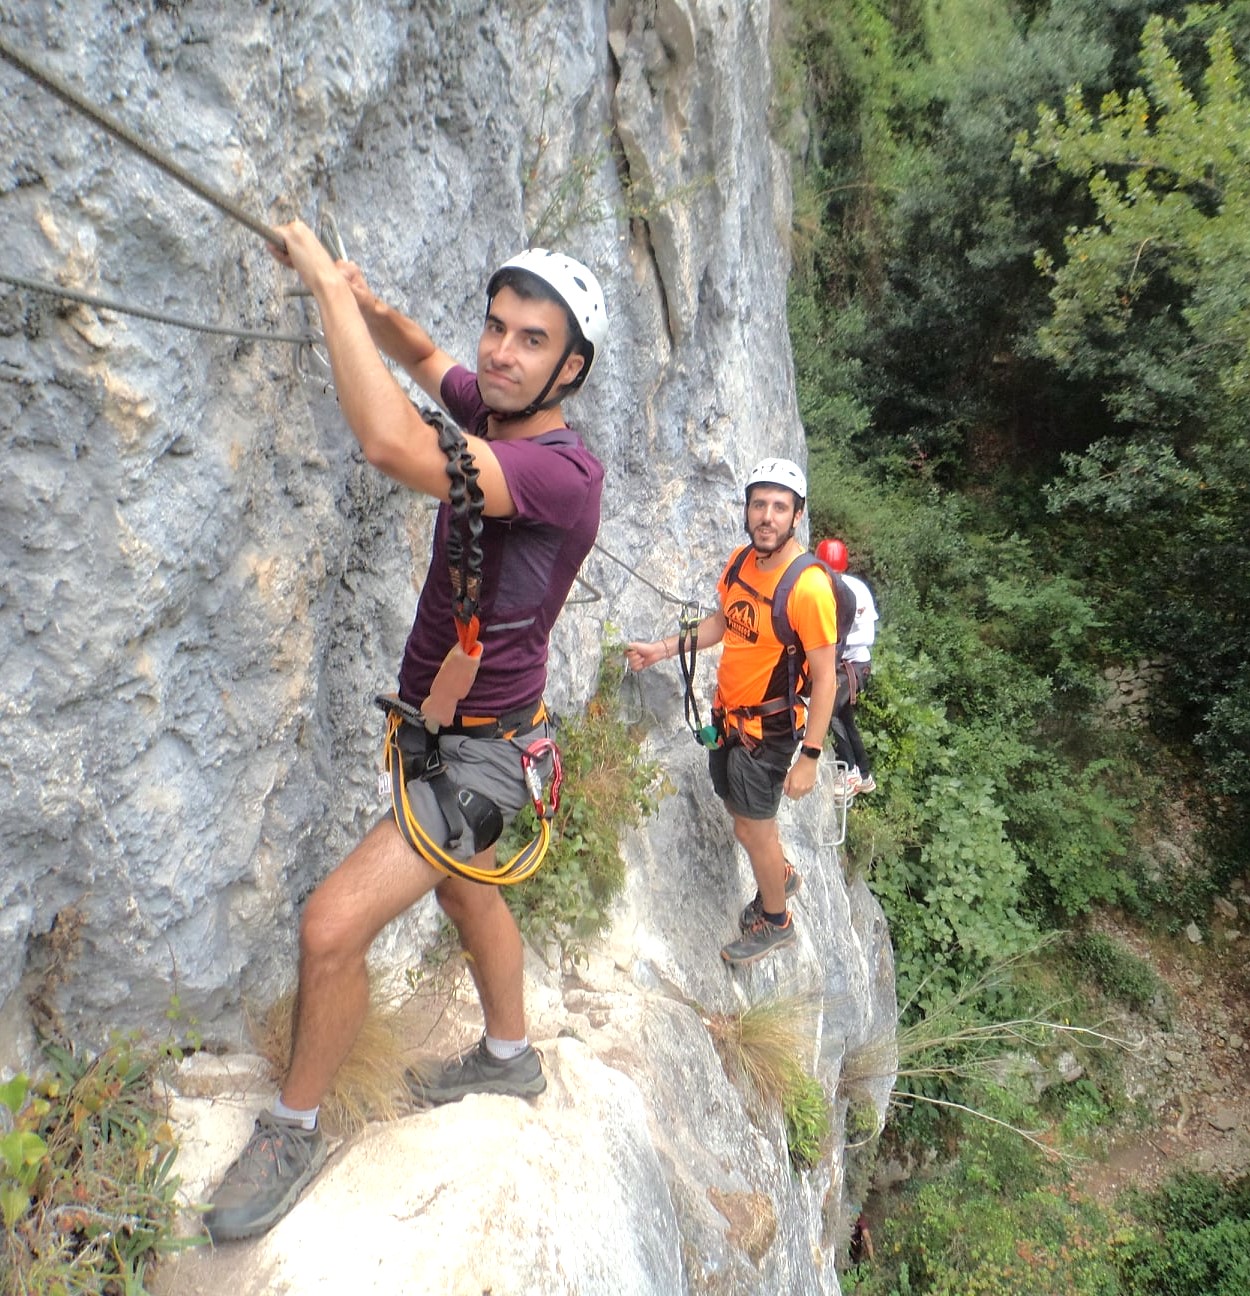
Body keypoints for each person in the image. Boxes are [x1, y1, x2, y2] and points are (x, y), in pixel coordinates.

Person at [204, 227, 606, 1242]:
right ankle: (508, 1059)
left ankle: (294, 1127)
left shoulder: (562, 474)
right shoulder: (496, 403)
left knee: (331, 926)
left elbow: (392, 443)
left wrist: (319, 295)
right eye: (498, 326)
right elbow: (427, 359)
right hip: (454, 731)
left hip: (481, 754)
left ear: (572, 368)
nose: (501, 352)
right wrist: (363, 298)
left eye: (531, 340)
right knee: (470, 897)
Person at [625, 459, 838, 966]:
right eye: (759, 504)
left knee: (751, 829)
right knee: (736, 808)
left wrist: (810, 756)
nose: (767, 516)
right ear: (747, 509)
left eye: (779, 507)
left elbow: (826, 677)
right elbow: (724, 624)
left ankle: (777, 920)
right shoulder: (742, 562)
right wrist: (662, 648)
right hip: (728, 718)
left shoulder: (807, 587)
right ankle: (780, 873)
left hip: (770, 732)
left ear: (797, 515)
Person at [816, 538, 878, 796]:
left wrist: (836, 643)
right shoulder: (819, 588)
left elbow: (868, 636)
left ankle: (849, 771)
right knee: (844, 717)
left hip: (854, 664)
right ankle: (864, 775)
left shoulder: (856, 590)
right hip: (840, 663)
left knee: (827, 707)